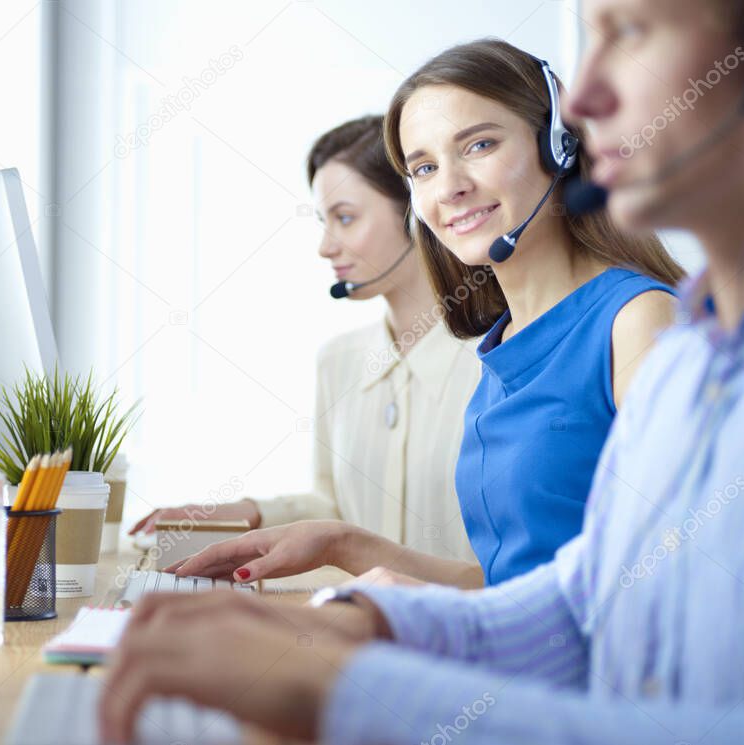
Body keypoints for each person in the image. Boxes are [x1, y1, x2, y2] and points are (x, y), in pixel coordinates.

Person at [99, 1, 744, 743]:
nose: (580, 97)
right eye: (421, 167)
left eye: (633, 29)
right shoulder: (695, 356)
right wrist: (367, 622)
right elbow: (584, 602)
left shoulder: (686, 336)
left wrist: (347, 689)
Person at [168, 39, 682, 588]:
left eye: (479, 144)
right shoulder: (505, 341)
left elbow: (666, 583)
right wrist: (342, 543)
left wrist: (418, 609)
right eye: (425, 167)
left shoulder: (638, 323)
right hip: (514, 660)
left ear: (558, 146)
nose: (450, 187)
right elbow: (506, 585)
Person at [131, 115, 483, 566]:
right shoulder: (339, 361)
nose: (325, 246)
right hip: (353, 627)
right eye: (325, 220)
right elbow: (334, 508)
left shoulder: (496, 359)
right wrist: (250, 514)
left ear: (417, 214)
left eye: (346, 218)